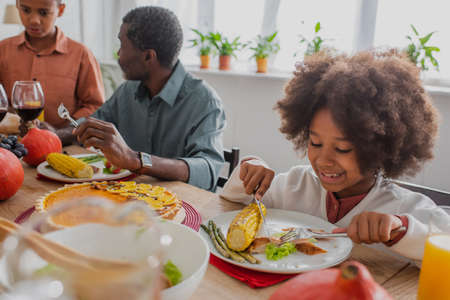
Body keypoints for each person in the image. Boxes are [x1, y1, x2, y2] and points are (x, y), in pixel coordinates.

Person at [221, 50, 449, 262]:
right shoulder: (295, 185)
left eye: (342, 149)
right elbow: (232, 201)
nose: (323, 160)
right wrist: (249, 170)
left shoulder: (402, 206)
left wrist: (401, 229)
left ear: (381, 150)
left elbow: (444, 241)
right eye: (315, 142)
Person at [55, 6, 226, 191]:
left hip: (183, 210)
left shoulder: (205, 102)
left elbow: (207, 170)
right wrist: (53, 135)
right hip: (130, 201)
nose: (118, 55)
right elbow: (91, 126)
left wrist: (134, 159)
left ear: (148, 56)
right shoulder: (127, 91)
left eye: (122, 46)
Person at [0, 0, 104, 129]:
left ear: (60, 10)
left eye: (43, 13)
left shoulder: (81, 54)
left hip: (66, 145)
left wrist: (62, 133)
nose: (34, 20)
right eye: (26, 10)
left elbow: (95, 106)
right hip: (11, 142)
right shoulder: (3, 49)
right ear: (17, 5)